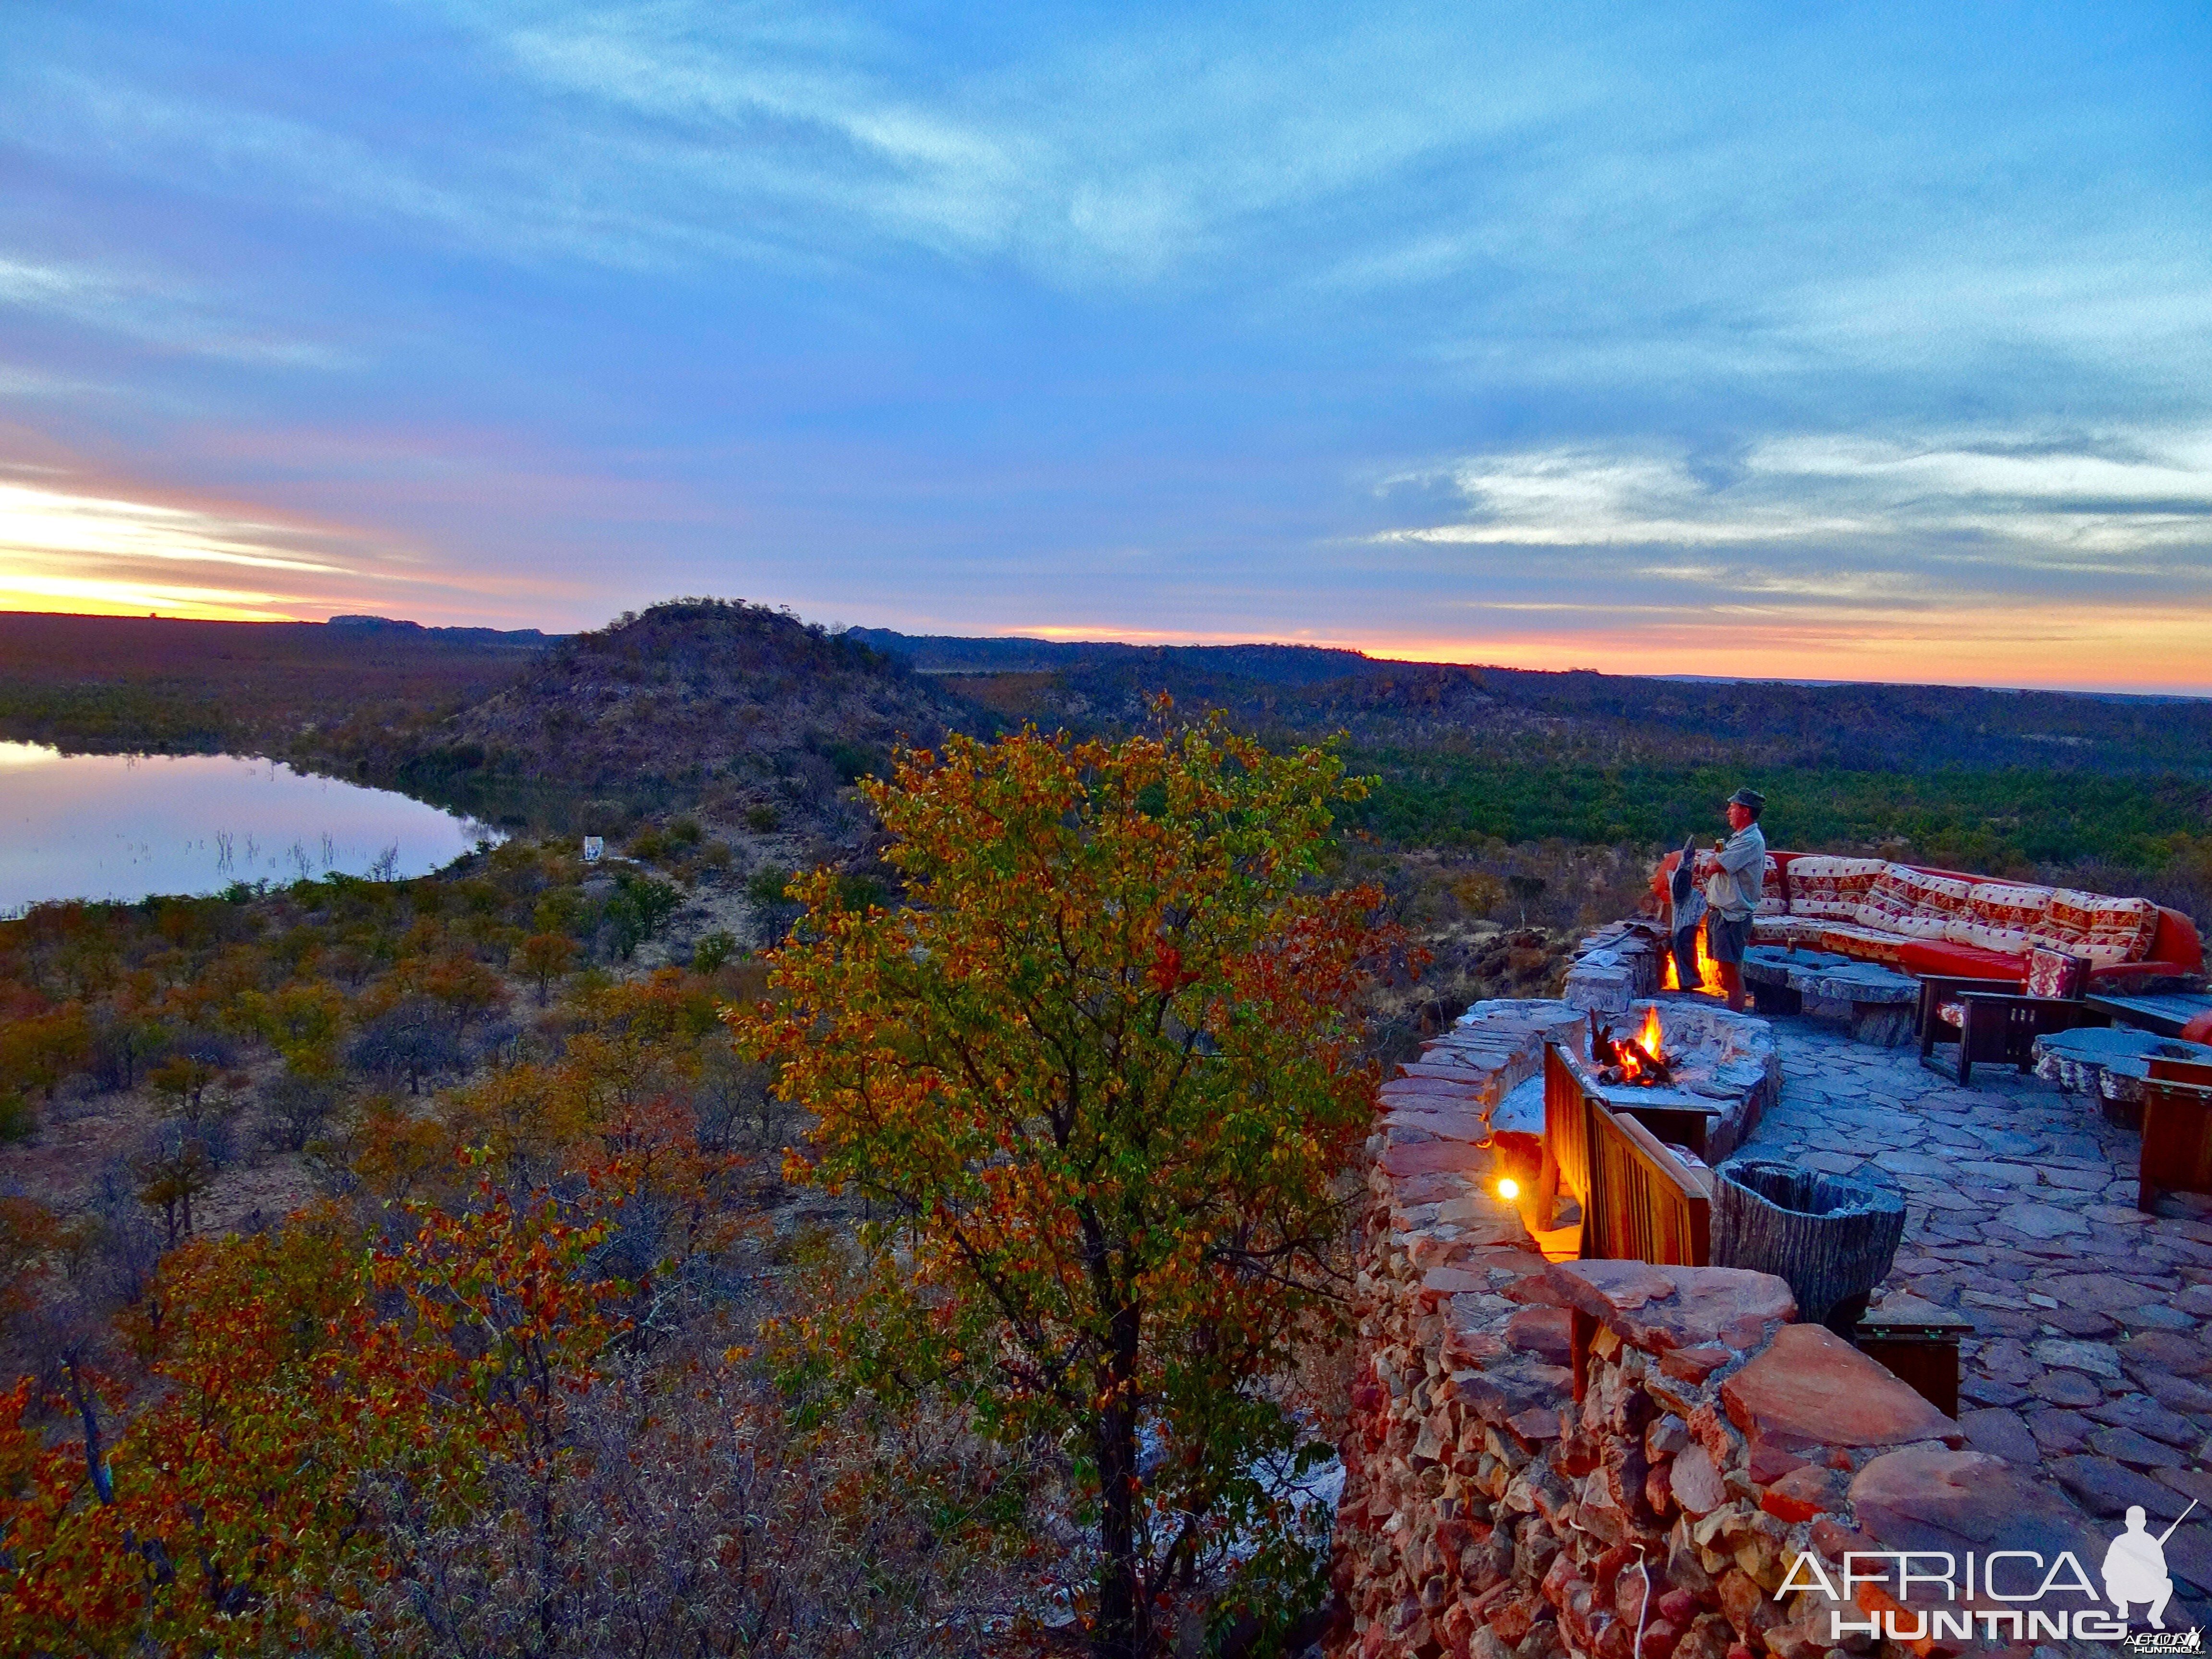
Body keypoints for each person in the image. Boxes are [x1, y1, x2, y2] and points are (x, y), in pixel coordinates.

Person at [1705, 788, 1767, 1013]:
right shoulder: (1738, 840)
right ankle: (1732, 1012)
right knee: (1724, 968)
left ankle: (1735, 1018)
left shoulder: (1750, 841)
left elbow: (1715, 866)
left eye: (1733, 808)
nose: (1728, 812)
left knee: (1731, 969)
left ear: (1745, 811)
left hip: (1732, 916)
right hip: (1721, 913)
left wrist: (1715, 860)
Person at [2103, 1504, 2176, 1628]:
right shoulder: (2120, 1541)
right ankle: (2122, 1606)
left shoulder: (2151, 1542)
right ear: (2127, 1522)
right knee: (2110, 1582)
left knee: (2167, 1584)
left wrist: (2150, 1569)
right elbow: (2107, 1569)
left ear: (2144, 1523)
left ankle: (2155, 1615)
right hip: (2123, 1589)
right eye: (2132, 1520)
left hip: (2146, 1588)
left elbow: (2163, 1570)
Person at [1667, 832, 1706, 990]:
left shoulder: (1694, 893)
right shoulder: (1681, 878)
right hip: (1684, 922)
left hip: (1687, 922)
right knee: (1683, 944)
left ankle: (1690, 978)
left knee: (1685, 944)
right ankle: (1688, 978)